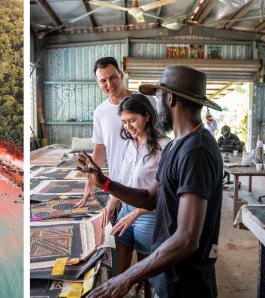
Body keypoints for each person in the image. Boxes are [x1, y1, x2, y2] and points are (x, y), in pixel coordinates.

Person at [78, 65, 223, 298]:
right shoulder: (177, 145)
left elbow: (187, 239)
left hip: (186, 284)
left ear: (171, 99)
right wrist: (105, 183)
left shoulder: (197, 151)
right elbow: (150, 198)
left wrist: (126, 277)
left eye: (159, 95)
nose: (156, 103)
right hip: (167, 273)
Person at [76, 57, 155, 222]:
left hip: (145, 183)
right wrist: (89, 181)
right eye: (103, 81)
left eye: (113, 78)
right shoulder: (100, 112)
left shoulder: (145, 102)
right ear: (97, 82)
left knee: (143, 236)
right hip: (116, 185)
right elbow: (100, 148)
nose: (109, 84)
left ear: (121, 75)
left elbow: (159, 137)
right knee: (118, 237)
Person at [110, 94, 170, 298]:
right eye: (124, 122)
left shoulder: (165, 146)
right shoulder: (129, 143)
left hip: (148, 215)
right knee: (119, 266)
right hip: (125, 210)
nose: (128, 127)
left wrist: (137, 213)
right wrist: (114, 200)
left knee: (146, 272)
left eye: (132, 120)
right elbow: (123, 178)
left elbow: (164, 195)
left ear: (147, 116)